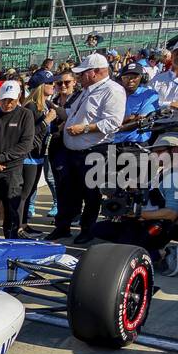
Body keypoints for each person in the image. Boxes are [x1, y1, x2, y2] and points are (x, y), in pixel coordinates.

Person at [48, 53, 125, 244]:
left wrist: (85, 128)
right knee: (67, 191)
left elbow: (113, 123)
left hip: (94, 150)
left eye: (83, 73)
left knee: (91, 193)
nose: (80, 77)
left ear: (96, 72)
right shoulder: (87, 90)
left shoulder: (112, 90)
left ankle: (87, 229)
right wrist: (55, 109)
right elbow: (72, 114)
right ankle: (63, 226)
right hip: (72, 150)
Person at [91, 133, 178, 273]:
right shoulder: (166, 172)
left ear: (174, 151)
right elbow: (153, 195)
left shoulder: (176, 177)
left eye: (159, 151)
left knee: (123, 259)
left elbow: (172, 213)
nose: (155, 155)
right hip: (143, 219)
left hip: (156, 225)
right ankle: (136, 246)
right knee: (98, 229)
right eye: (154, 152)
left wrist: (139, 214)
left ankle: (163, 253)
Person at [0, 80, 36, 238]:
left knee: (12, 212)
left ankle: (11, 244)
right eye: (4, 100)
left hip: (12, 171)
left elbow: (26, 145)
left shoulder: (25, 115)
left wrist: (0, 158)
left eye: (11, 100)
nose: (7, 104)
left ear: (18, 98)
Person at [20, 70, 57, 233]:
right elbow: (30, 134)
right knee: (24, 193)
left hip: (38, 155)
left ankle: (24, 224)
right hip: (28, 156)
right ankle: (18, 227)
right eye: (49, 83)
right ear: (41, 86)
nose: (54, 85)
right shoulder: (31, 107)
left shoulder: (44, 106)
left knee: (30, 192)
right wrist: (47, 121)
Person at [115, 62, 161, 144]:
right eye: (126, 77)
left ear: (141, 78)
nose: (130, 80)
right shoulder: (114, 94)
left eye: (135, 77)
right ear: (121, 79)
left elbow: (142, 120)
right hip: (112, 143)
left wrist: (113, 127)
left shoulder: (149, 94)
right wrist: (130, 118)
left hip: (136, 144)